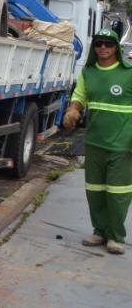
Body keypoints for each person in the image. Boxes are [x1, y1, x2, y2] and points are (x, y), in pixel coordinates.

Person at [63, 28, 132, 255]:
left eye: (108, 44)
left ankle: (115, 236)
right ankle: (99, 231)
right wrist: (73, 110)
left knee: (118, 193)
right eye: (99, 43)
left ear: (116, 48)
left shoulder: (128, 73)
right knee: (95, 190)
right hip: (95, 143)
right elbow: (79, 96)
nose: (103, 47)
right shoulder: (88, 72)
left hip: (122, 145)